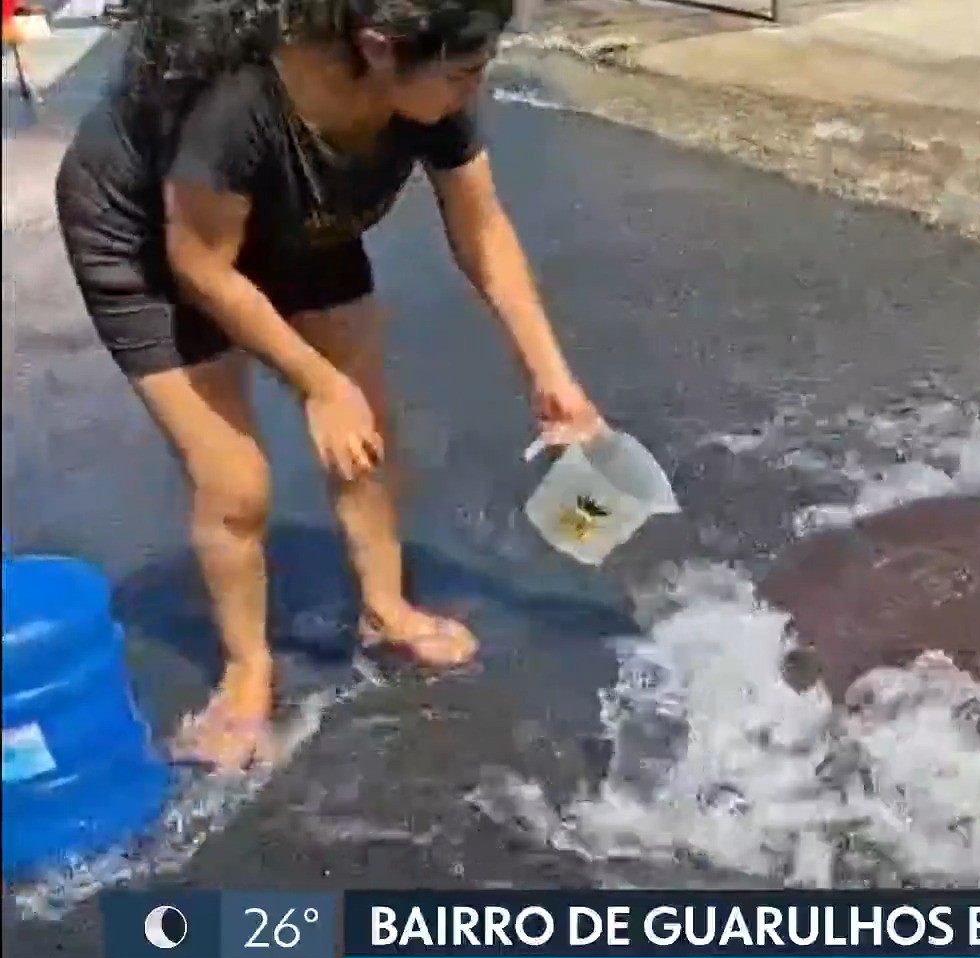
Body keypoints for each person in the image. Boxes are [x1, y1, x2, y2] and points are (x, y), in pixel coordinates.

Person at [55, 0, 605, 772]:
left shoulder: (430, 90)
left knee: (367, 423)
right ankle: (248, 670)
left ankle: (386, 610)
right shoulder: (240, 107)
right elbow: (204, 268)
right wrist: (315, 382)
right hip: (150, 240)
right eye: (467, 71)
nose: (473, 90)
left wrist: (552, 376)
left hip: (300, 220)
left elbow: (482, 228)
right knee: (235, 481)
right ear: (380, 47)